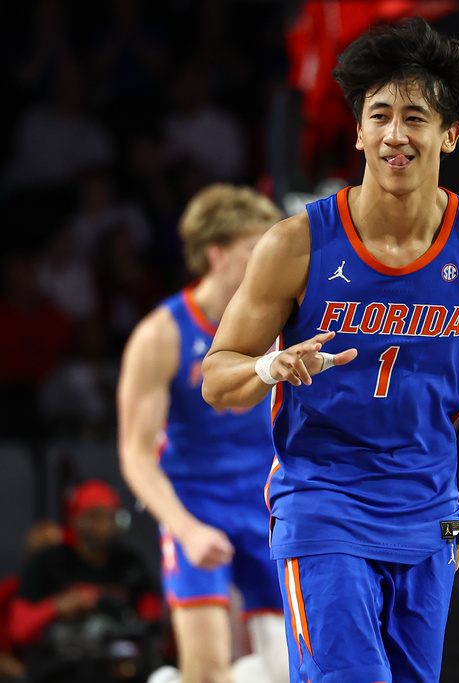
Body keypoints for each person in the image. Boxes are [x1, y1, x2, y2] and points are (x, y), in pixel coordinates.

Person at [200, 17, 459, 683]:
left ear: (450, 134)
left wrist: (458, 514)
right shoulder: (296, 243)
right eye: (379, 115)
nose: (395, 134)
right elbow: (216, 375)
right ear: (357, 130)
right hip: (323, 502)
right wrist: (270, 366)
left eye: (415, 117)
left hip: (426, 514)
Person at [118, 184, 288, 683]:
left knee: (288, 671)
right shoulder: (162, 334)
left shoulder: (279, 322)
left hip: (266, 501)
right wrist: (184, 527)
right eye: (254, 252)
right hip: (197, 503)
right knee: (208, 673)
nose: (267, 263)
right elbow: (134, 453)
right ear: (216, 255)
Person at [9, 481, 161, 680]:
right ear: (75, 519)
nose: (103, 525)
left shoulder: (129, 565)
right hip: (58, 670)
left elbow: (153, 623)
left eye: (109, 516)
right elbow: (18, 629)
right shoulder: (49, 562)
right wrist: (60, 606)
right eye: (93, 516)